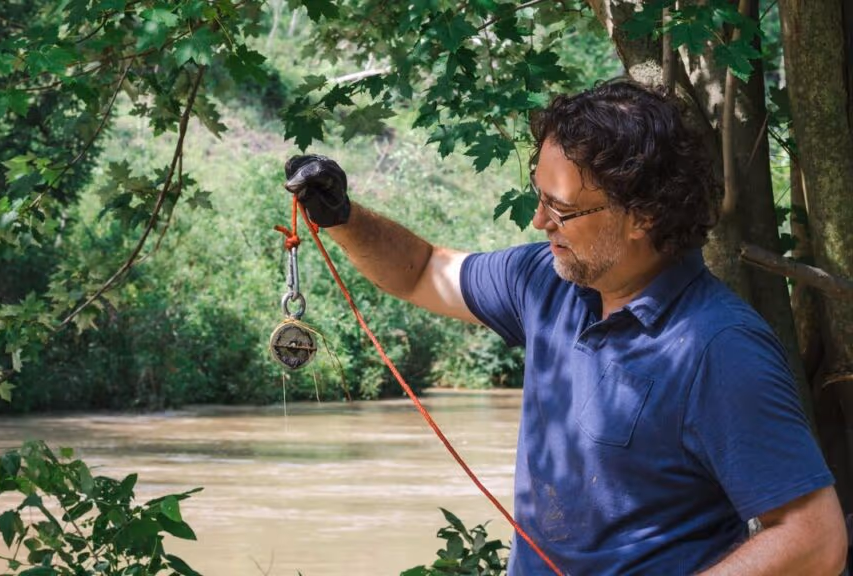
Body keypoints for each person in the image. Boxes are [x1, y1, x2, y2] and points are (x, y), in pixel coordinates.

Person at [282, 80, 847, 575]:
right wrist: (345, 219)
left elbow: (813, 541)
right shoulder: (547, 281)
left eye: (562, 208)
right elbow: (424, 271)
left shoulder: (719, 348)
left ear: (643, 216)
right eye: (538, 196)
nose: (538, 220)